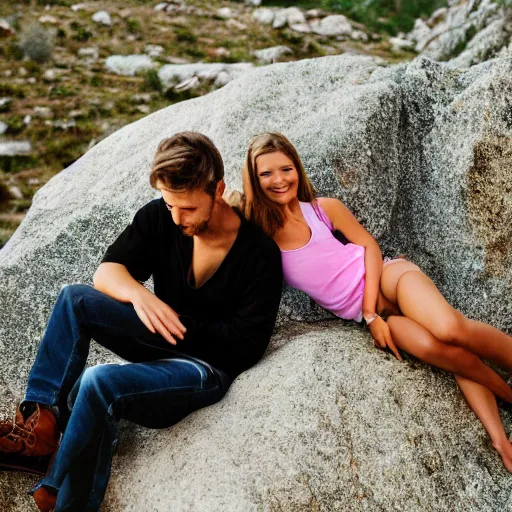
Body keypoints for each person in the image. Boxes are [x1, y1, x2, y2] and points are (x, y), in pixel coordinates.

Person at [0, 132, 283, 512]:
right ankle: (40, 424)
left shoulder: (258, 252)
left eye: (187, 208)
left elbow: (247, 346)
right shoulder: (160, 216)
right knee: (74, 298)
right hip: (161, 341)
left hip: (204, 369)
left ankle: (62, 495)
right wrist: (140, 295)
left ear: (218, 190)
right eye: (170, 206)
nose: (177, 217)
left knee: (96, 381)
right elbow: (108, 272)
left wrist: (182, 325)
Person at [242, 131, 512, 473]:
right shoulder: (257, 235)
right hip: (376, 317)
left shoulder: (324, 209)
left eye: (286, 169)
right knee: (446, 354)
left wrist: (370, 313)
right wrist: (501, 442)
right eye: (266, 173)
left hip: (388, 280)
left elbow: (368, 245)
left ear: (297, 168)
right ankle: (502, 431)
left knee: (450, 328)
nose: (279, 180)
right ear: (253, 178)